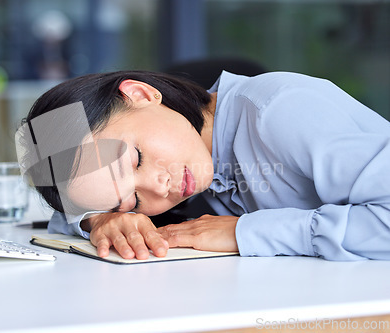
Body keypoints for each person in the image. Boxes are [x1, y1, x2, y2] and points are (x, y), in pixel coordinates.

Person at [20, 70, 390, 261]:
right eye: (133, 200)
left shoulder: (278, 110)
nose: (158, 187)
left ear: (141, 94)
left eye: (136, 159)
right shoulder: (191, 154)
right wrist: (102, 219)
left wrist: (242, 233)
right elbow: (63, 214)